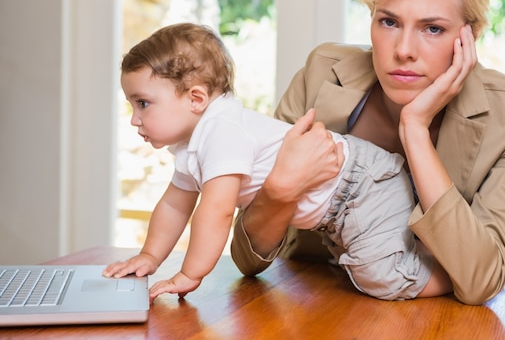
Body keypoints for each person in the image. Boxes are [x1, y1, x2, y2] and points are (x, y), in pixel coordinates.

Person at [230, 0, 505, 305]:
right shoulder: (323, 73)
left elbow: (482, 281)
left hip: (428, 321)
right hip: (311, 302)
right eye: (389, 21)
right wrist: (279, 190)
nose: (404, 50)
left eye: (432, 28)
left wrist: (415, 129)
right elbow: (249, 259)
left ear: (470, 35)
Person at [103, 22, 447, 302]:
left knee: (379, 279)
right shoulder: (193, 144)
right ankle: (418, 259)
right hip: (342, 205)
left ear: (196, 98)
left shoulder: (222, 131)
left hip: (363, 185)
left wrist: (189, 274)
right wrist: (149, 257)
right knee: (360, 271)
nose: (134, 119)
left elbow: (217, 211)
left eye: (143, 104)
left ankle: (451, 278)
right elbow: (174, 206)